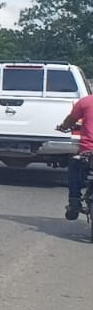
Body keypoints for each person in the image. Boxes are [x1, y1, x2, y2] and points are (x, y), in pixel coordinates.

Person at [57, 92, 93, 220]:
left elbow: (70, 120)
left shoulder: (86, 102)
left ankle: (74, 201)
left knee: (73, 166)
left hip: (88, 151)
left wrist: (63, 127)